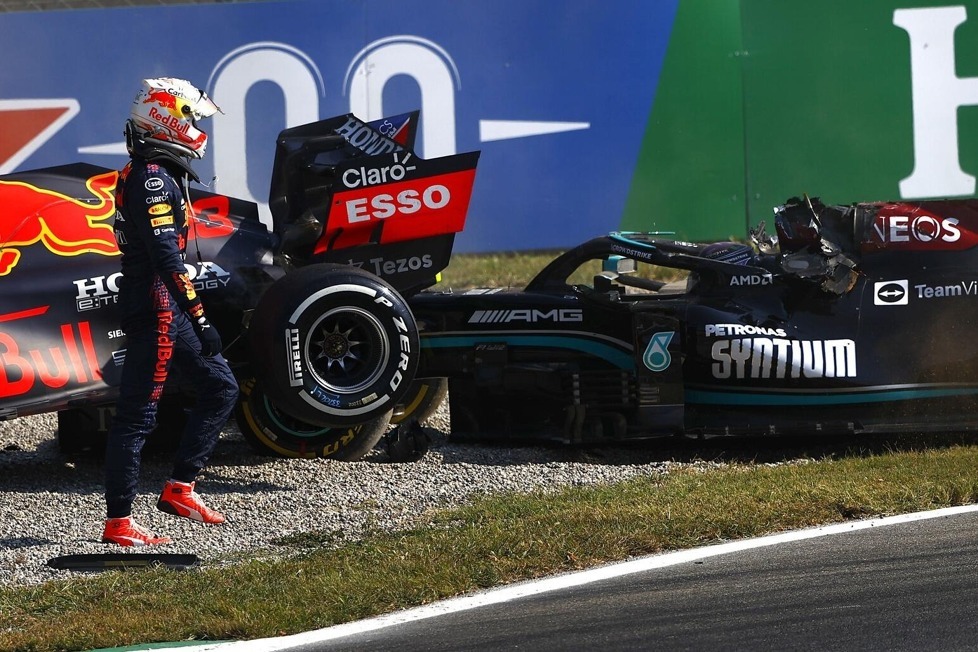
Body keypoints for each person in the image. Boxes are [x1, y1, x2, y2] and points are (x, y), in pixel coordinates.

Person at [102, 78, 239, 546]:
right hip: (158, 307)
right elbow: (167, 260)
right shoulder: (153, 180)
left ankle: (180, 489)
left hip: (163, 305)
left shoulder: (151, 171)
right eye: (191, 117)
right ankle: (119, 523)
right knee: (138, 416)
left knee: (221, 387)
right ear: (165, 118)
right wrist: (200, 318)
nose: (197, 127)